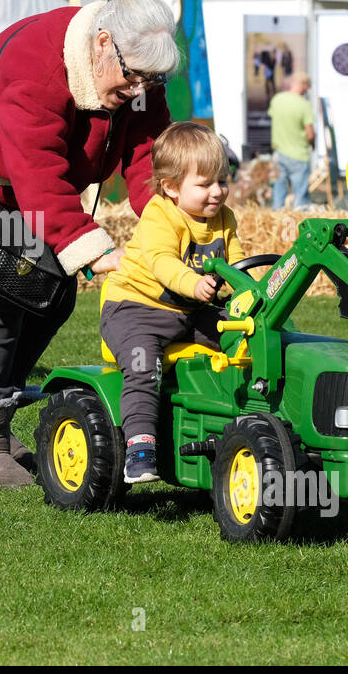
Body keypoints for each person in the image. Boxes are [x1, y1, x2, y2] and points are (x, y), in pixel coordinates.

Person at [0, 0, 178, 487]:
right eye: (133, 78)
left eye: (151, 81)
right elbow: (38, 170)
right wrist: (94, 250)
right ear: (103, 43)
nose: (140, 91)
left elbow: (147, 154)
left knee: (51, 299)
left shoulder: (135, 68)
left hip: (21, 198)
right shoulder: (37, 64)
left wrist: (168, 220)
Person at [100, 123, 244, 483]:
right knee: (143, 366)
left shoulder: (224, 218)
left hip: (190, 311)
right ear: (171, 187)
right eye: (205, 184)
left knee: (246, 336)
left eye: (223, 181)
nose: (217, 192)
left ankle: (244, 417)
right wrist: (193, 284)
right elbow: (163, 262)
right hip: (135, 308)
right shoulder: (160, 214)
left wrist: (249, 293)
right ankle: (140, 448)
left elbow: (238, 263)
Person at [269, 71, 315, 209]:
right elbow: (310, 134)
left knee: (278, 191)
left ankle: (277, 218)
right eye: (308, 86)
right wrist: (312, 144)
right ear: (304, 85)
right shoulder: (304, 105)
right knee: (301, 201)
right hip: (298, 155)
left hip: (278, 152)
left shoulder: (277, 99)